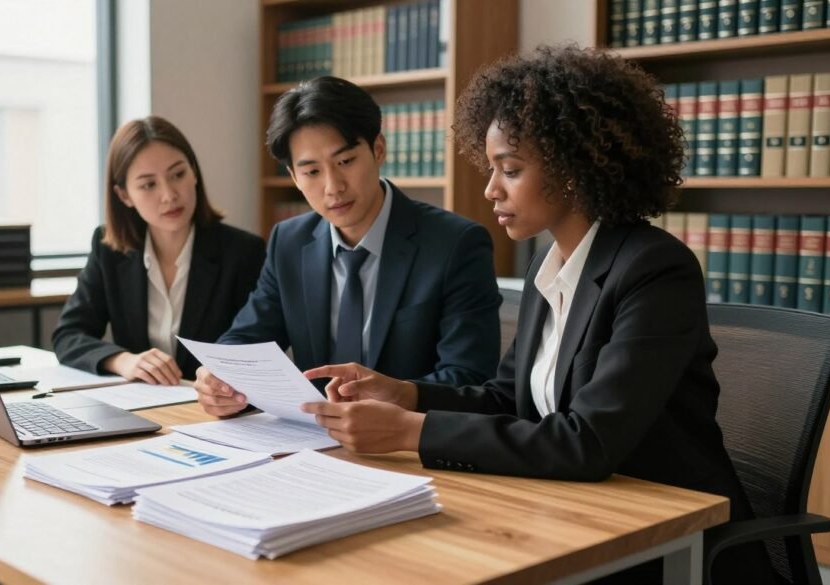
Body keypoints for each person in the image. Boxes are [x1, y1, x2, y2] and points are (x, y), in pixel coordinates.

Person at [300, 46, 774, 584]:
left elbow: (586, 442)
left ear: (573, 167)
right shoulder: (548, 266)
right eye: (492, 168)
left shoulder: (654, 269)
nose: (490, 189)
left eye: (512, 170)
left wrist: (412, 431)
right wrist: (405, 394)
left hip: (664, 541)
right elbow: (510, 399)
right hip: (572, 512)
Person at [194, 76, 503, 417]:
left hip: (408, 446)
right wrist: (219, 380)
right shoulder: (289, 242)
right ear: (294, 178)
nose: (333, 187)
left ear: (378, 149)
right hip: (315, 444)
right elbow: (245, 341)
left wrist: (397, 398)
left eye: (345, 162)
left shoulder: (455, 244)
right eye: (311, 171)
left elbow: (471, 380)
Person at [53, 116, 265, 383]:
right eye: (148, 184)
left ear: (194, 173)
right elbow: (68, 334)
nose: (169, 195)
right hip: (141, 406)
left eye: (178, 174)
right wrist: (123, 361)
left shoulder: (243, 252)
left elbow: (256, 347)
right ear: (124, 195)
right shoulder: (109, 249)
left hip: (213, 411)